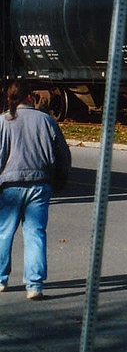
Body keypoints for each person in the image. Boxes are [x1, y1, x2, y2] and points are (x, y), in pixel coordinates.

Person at [0, 80, 72, 300]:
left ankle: (1, 279)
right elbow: (62, 154)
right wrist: (60, 178)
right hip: (40, 184)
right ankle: (34, 285)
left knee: (4, 232)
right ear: (30, 97)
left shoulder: (3, 122)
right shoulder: (46, 120)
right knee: (35, 233)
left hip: (10, 184)